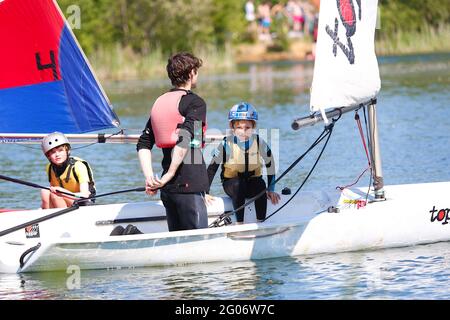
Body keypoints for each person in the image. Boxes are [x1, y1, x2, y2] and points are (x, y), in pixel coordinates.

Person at [137, 52, 209, 232]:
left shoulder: (160, 102)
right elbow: (185, 137)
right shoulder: (195, 102)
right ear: (191, 73)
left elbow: (143, 143)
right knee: (197, 243)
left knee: (177, 243)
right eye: (197, 72)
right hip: (190, 184)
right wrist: (168, 175)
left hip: (168, 189)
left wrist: (151, 179)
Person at [206, 102, 280, 224]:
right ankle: (239, 224)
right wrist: (205, 192)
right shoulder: (226, 145)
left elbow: (270, 164)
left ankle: (261, 223)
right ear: (232, 127)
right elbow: (211, 169)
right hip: (231, 184)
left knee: (260, 185)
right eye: (239, 128)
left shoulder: (259, 143)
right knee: (238, 185)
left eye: (247, 128)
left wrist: (271, 189)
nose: (243, 132)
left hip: (252, 183)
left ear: (253, 127)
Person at [40, 132, 96, 209]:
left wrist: (62, 192)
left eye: (60, 150)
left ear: (67, 151)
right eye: (53, 152)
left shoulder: (78, 166)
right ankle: (45, 215)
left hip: (83, 202)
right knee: (45, 191)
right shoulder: (49, 168)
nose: (57, 155)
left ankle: (62, 218)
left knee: (56, 193)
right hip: (63, 201)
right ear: (48, 156)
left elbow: (85, 195)